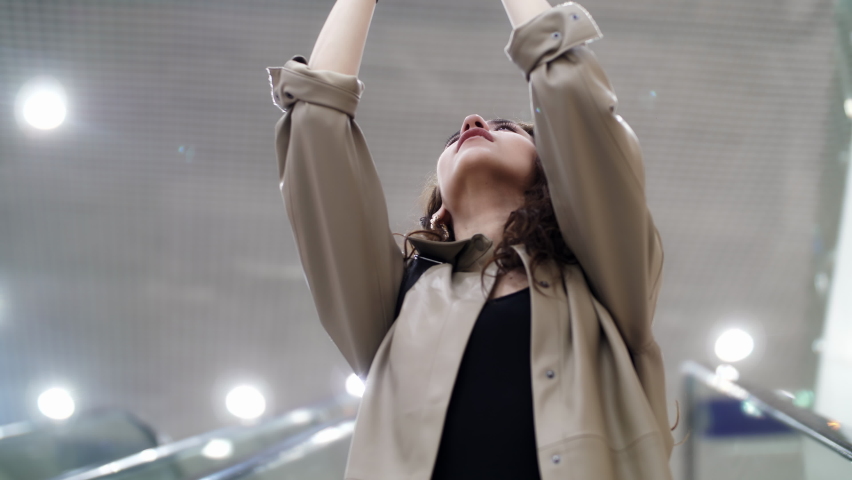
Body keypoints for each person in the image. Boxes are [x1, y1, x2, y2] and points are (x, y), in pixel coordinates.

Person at [267, 1, 675, 479]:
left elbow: (577, 106)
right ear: (439, 210)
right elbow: (316, 132)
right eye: (452, 140)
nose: (473, 122)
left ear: (552, 174)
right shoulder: (398, 305)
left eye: (506, 128)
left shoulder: (605, 278)